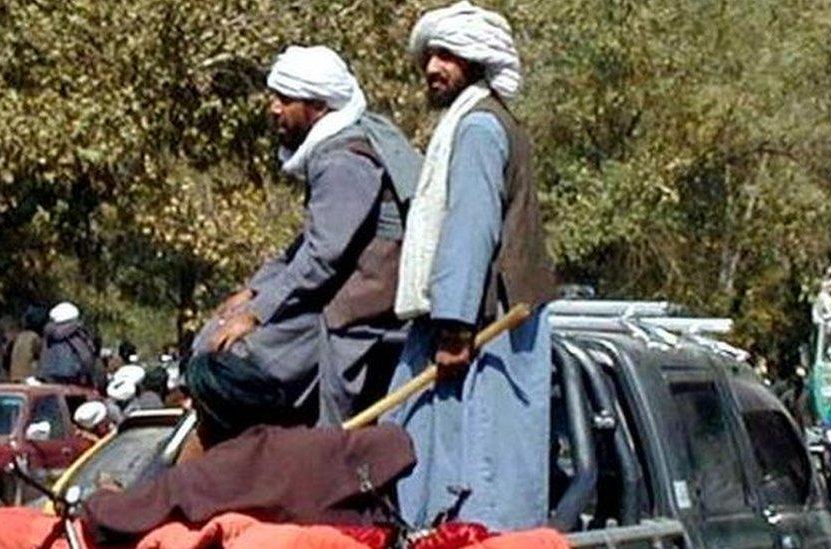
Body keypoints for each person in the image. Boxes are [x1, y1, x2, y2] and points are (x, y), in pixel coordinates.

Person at [187, 45, 422, 443]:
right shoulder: (336, 148)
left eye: (285, 100)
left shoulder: (342, 160)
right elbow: (310, 242)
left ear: (317, 105)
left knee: (228, 359)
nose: (274, 109)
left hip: (358, 309)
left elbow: (324, 256)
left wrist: (257, 313)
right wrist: (254, 290)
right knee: (213, 337)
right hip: (338, 295)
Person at [384, 1, 556, 530]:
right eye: (430, 55)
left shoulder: (479, 128)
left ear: (478, 61)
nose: (433, 67)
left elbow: (469, 231)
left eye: (448, 55)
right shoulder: (476, 122)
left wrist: (455, 328)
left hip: (483, 333)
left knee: (477, 484)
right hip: (474, 324)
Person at [37, 302, 98, 387]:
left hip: (48, 379)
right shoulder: (75, 334)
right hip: (73, 381)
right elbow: (86, 358)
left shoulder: (48, 335)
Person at [5, 305, 47, 383]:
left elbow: (6, 357)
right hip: (29, 378)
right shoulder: (35, 338)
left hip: (13, 377)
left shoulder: (18, 337)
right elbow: (43, 357)